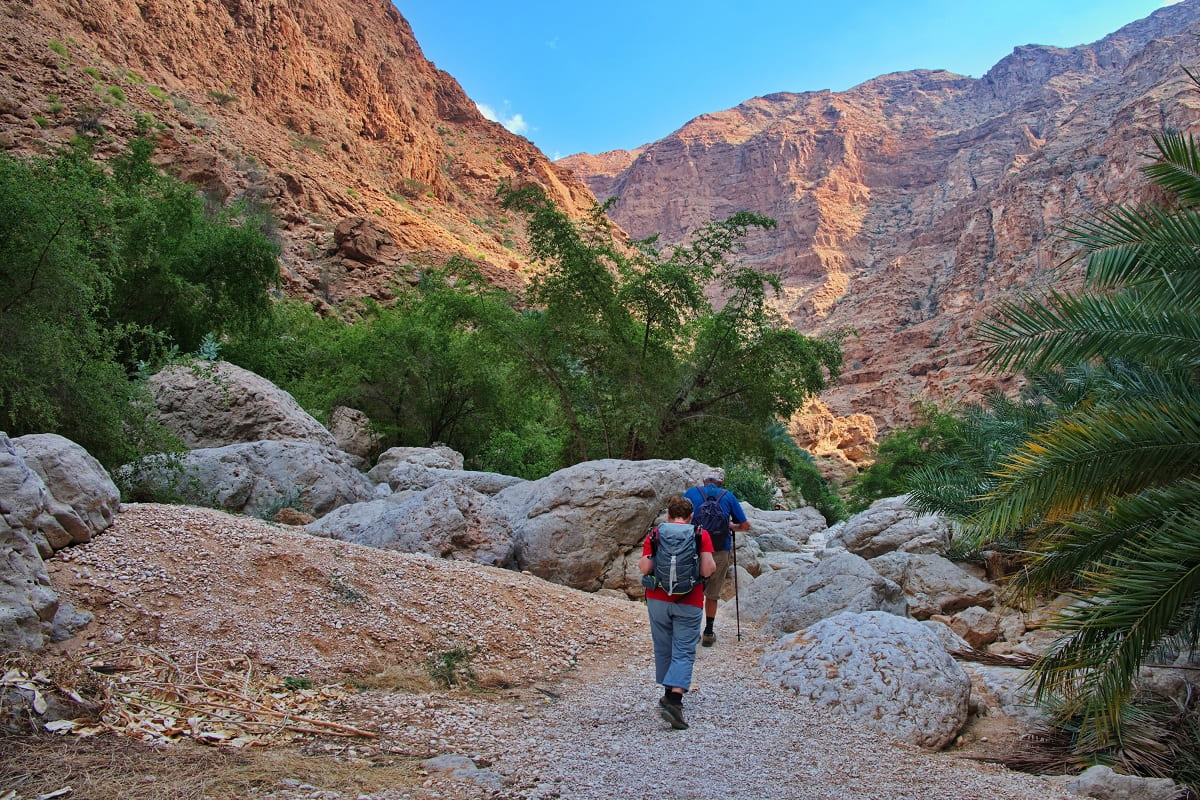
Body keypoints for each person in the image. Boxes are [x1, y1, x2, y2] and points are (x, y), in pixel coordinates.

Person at [639, 494, 716, 730]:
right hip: (690, 600)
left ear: (668, 515)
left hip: (658, 599)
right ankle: (674, 700)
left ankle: (666, 692)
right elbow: (707, 568)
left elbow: (645, 567)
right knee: (683, 649)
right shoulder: (699, 534)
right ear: (691, 516)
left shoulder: (655, 534)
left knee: (664, 646)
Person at [684, 467, 750, 647]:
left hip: (694, 548)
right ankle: (709, 631)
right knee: (712, 593)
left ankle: (691, 631)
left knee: (693, 588)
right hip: (720, 549)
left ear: (704, 480)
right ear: (721, 482)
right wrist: (730, 526)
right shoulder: (728, 496)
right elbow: (745, 525)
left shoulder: (691, 493)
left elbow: (680, 519)